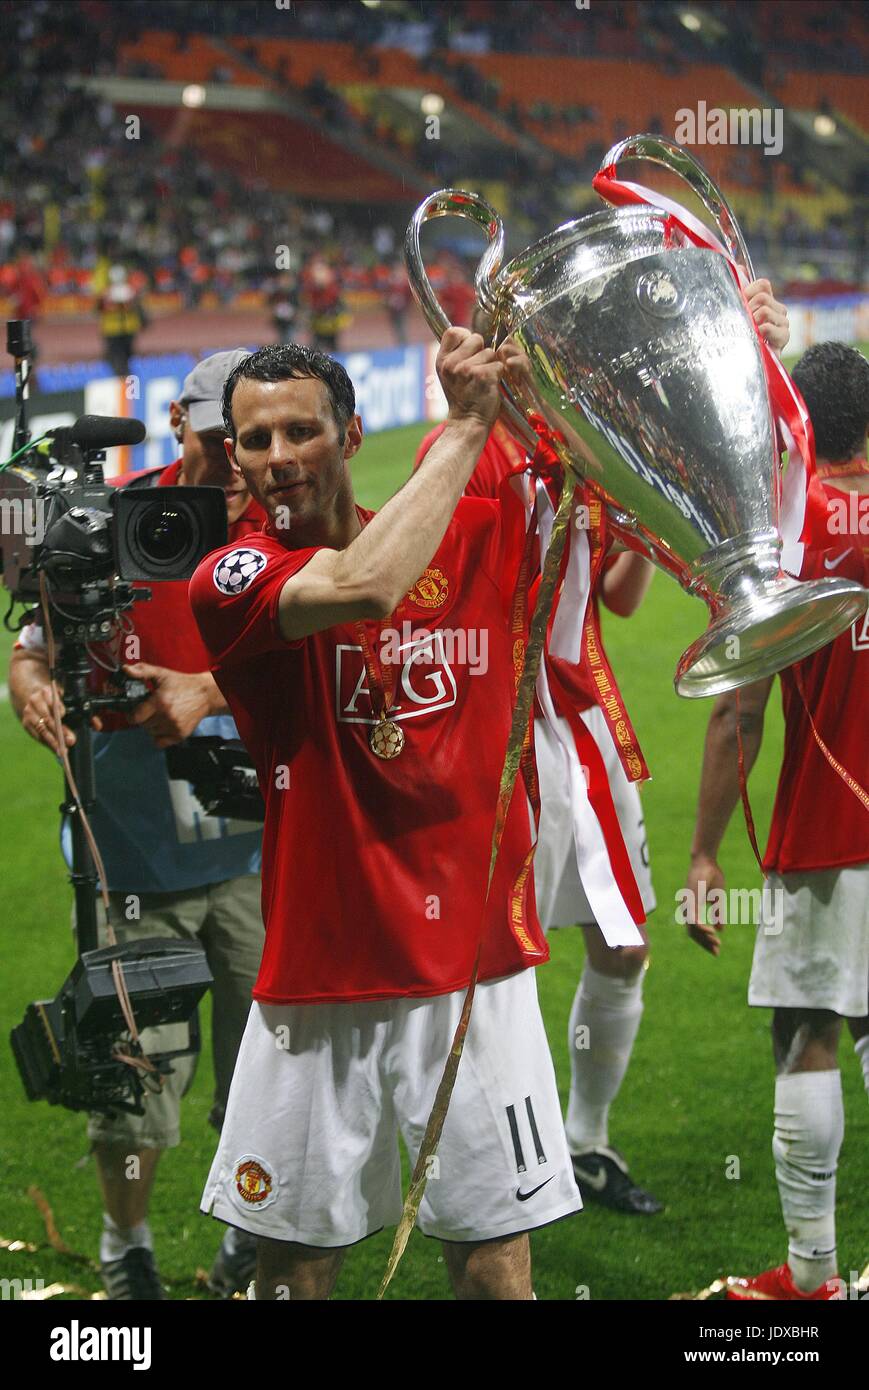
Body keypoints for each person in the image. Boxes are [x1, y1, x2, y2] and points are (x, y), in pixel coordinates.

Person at [189, 334, 582, 1301]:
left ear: (351, 433)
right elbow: (363, 584)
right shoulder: (230, 580)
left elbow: (591, 477)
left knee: (495, 1259)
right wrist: (462, 422)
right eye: (254, 440)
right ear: (232, 458)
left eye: (299, 430)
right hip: (321, 966)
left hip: (473, 969)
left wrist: (527, 383)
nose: (277, 456)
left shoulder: (475, 528)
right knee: (294, 1263)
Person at [411, 282, 791, 1215]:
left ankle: (585, 1143)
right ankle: (482, 1159)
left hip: (582, 731)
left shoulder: (579, 443)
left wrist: (744, 359)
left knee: (622, 946)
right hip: (493, 737)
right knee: (489, 961)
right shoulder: (467, 448)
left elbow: (618, 595)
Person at [9, 351, 267, 1301]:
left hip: (257, 860)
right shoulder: (102, 525)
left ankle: (248, 1232)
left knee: (265, 1080)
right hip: (129, 859)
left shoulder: (293, 530)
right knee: (135, 1082)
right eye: (220, 433)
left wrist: (211, 692)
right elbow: (31, 648)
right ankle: (131, 1251)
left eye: (256, 432)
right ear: (173, 420)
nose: (241, 456)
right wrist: (31, 688)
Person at [684, 341, 869, 1301]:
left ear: (790, 426)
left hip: (830, 827)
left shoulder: (783, 541)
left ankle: (810, 1277)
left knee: (807, 1029)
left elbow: (736, 714)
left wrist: (706, 856)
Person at [98, 266, 146, 378]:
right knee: (115, 358)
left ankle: (124, 378)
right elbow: (99, 308)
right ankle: (120, 378)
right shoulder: (106, 292)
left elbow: (137, 308)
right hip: (113, 330)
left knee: (126, 356)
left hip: (126, 329)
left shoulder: (129, 290)